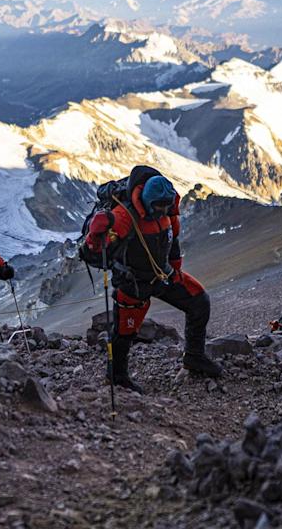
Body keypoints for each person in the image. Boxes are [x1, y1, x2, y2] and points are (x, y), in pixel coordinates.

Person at [85, 166, 222, 394]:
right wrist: (94, 236)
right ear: (147, 201)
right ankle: (117, 377)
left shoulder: (168, 212)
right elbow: (93, 253)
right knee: (124, 333)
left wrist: (176, 269)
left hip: (163, 275)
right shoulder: (123, 217)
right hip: (133, 282)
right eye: (159, 207)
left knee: (199, 301)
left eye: (166, 206)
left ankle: (194, 357)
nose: (163, 210)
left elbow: (173, 242)